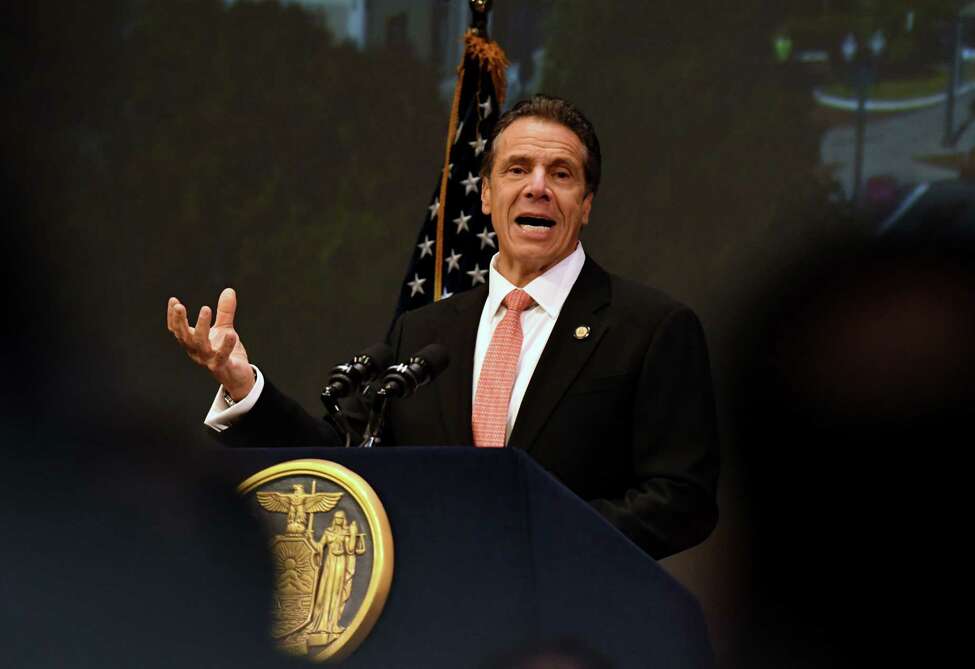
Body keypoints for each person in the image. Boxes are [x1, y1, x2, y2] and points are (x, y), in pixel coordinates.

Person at [167, 95, 719, 559]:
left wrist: (544, 537)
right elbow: (339, 463)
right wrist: (243, 386)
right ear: (485, 195)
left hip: (574, 630)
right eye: (517, 169)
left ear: (587, 204)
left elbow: (681, 499)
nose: (538, 188)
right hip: (436, 625)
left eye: (562, 174)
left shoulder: (650, 327)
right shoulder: (424, 333)